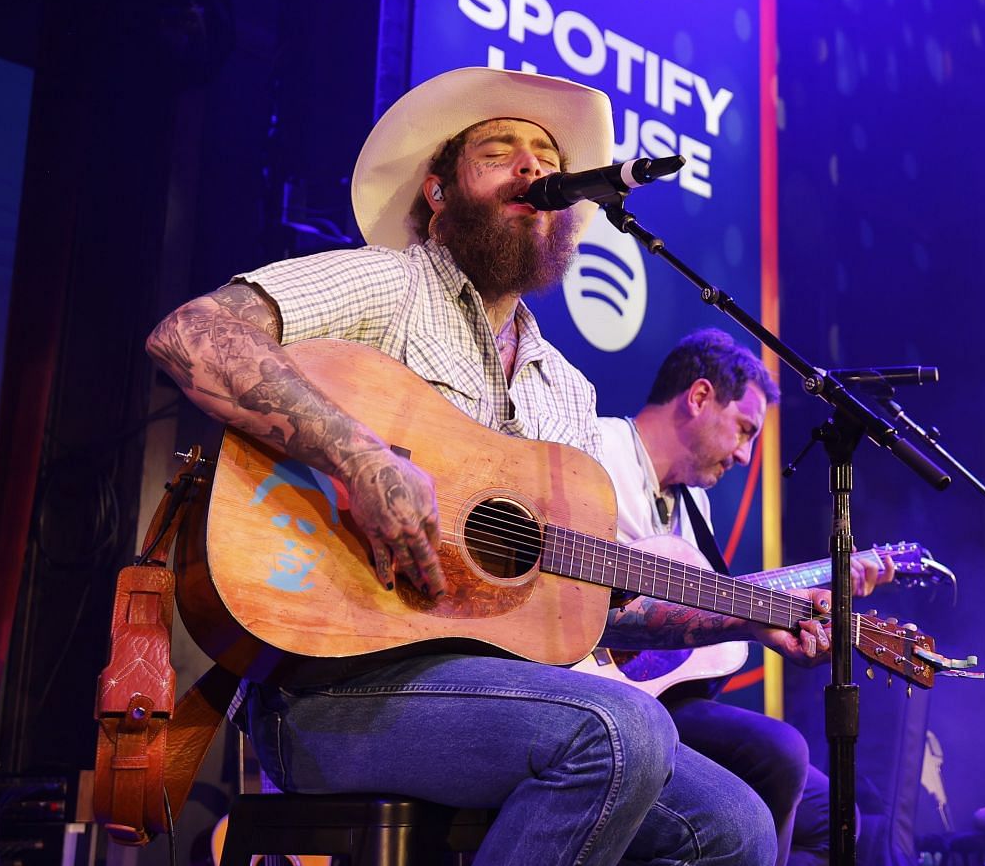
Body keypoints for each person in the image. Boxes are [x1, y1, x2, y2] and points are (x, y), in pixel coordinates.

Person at [145, 66, 832, 866]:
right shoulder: (389, 282)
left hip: (505, 699)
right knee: (620, 731)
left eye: (545, 155)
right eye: (500, 149)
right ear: (438, 191)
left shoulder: (567, 388)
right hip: (327, 690)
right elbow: (192, 333)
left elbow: (587, 608)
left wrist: (747, 614)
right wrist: (361, 458)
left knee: (738, 825)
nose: (534, 166)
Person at [593, 330, 893, 866]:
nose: (745, 454)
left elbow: (704, 613)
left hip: (666, 699)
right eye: (745, 429)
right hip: (595, 689)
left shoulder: (695, 510)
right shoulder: (595, 452)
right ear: (700, 397)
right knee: (781, 751)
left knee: (839, 816)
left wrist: (818, 588)